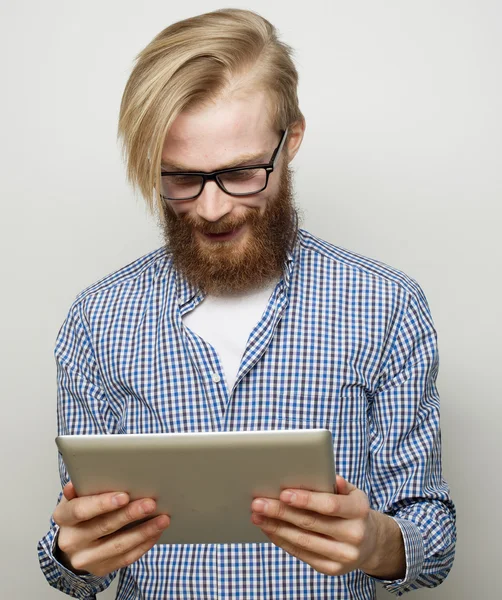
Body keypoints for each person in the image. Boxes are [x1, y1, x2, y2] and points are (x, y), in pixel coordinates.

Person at [38, 8, 456, 599]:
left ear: (294, 140)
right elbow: (73, 564)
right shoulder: (95, 321)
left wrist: (376, 544)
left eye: (240, 172)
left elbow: (433, 541)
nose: (210, 209)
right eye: (180, 177)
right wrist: (72, 557)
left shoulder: (386, 305)